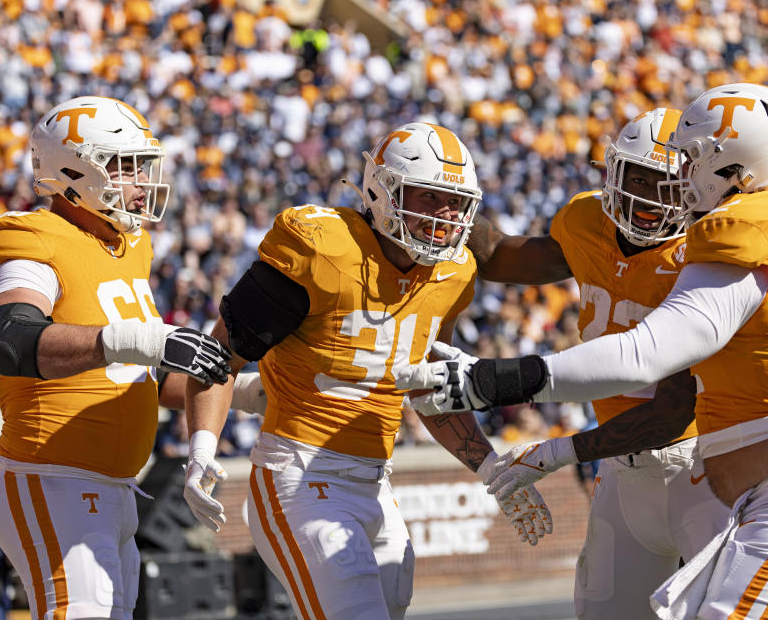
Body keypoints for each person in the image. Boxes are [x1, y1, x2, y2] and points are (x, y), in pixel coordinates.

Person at [399, 84, 768, 618]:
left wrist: (493, 383)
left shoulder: (734, 230)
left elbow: (648, 363)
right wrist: (441, 191)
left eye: (689, 163)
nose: (677, 183)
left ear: (736, 166)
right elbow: (506, 256)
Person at [182, 122, 553, 620]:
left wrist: (491, 469)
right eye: (428, 197)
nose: (445, 214)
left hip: (376, 482)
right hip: (298, 475)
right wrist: (202, 445)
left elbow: (426, 389)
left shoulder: (453, 273)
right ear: (381, 191)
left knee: (392, 599)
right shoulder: (321, 246)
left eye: (454, 200)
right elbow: (219, 356)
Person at [0, 96, 259, 620]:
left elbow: (134, 372)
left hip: (116, 488)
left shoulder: (129, 247)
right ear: (73, 170)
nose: (140, 180)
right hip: (53, 479)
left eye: (141, 166)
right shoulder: (35, 239)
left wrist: (239, 393)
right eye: (124, 166)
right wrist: (129, 340)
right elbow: (7, 339)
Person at [463, 108, 729, 619]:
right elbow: (500, 256)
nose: (648, 197)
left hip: (701, 466)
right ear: (612, 172)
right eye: (638, 178)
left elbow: (672, 412)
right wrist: (438, 202)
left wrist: (562, 450)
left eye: (666, 183)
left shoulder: (708, 253)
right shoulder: (586, 222)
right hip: (622, 475)